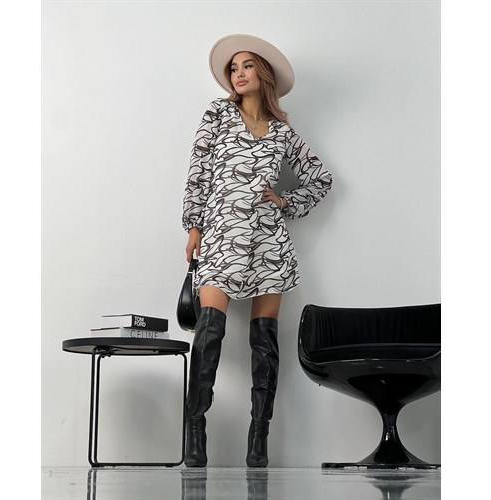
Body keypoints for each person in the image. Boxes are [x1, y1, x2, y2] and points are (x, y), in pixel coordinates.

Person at [181, 34, 332, 467]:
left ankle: (258, 439)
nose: (238, 73)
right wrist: (194, 225)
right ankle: (195, 431)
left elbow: (320, 179)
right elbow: (199, 172)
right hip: (222, 233)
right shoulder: (217, 114)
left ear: (263, 73)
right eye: (233, 68)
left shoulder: (283, 132)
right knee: (209, 333)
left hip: (268, 241)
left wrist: (284, 201)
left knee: (264, 343)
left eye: (247, 65)